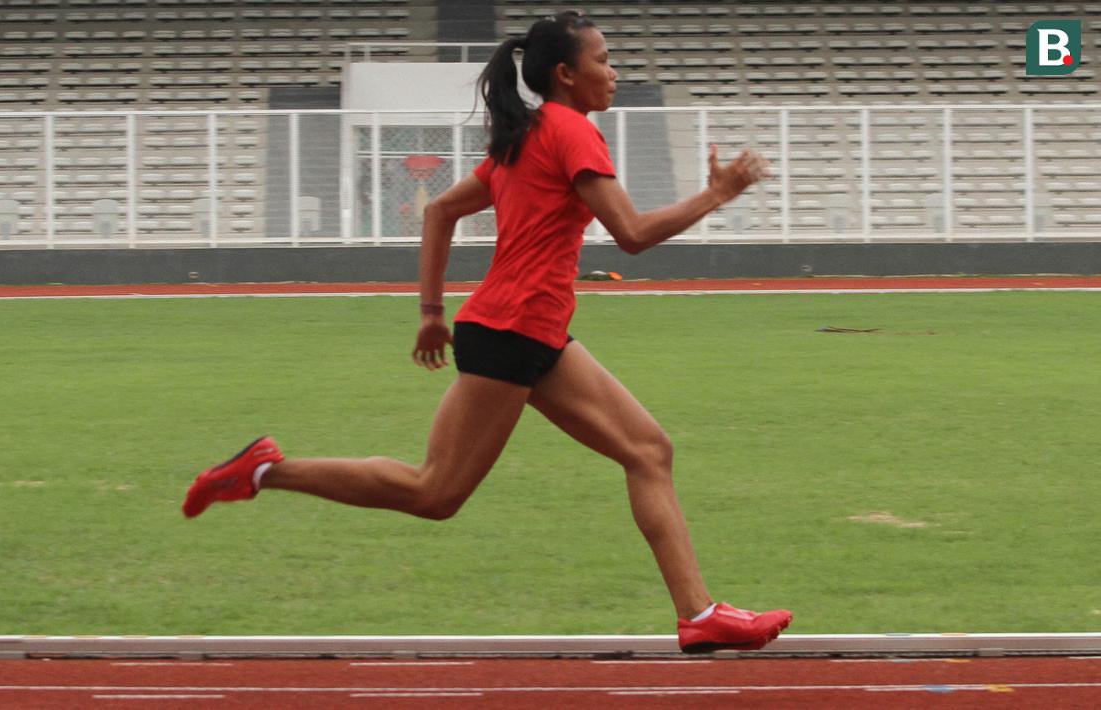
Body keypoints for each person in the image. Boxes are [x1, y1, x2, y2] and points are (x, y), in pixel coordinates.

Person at [183, 11, 791, 653]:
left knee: (648, 451)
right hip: (513, 332)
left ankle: (697, 614)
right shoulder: (571, 133)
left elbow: (441, 210)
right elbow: (632, 236)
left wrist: (430, 314)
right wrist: (717, 194)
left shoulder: (527, 135)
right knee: (434, 492)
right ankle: (264, 472)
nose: (615, 73)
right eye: (605, 60)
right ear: (566, 74)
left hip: (532, 331)